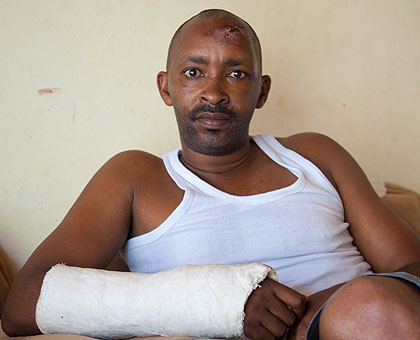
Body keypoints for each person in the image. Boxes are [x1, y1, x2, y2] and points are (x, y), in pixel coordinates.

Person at [2, 8, 420, 340]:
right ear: (166, 88)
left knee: (371, 309)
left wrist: (325, 305)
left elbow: (411, 264)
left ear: (262, 90)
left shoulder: (314, 154)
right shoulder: (135, 176)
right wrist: (226, 304)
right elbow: (23, 303)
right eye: (193, 72)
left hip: (365, 323)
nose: (214, 92)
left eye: (236, 74)